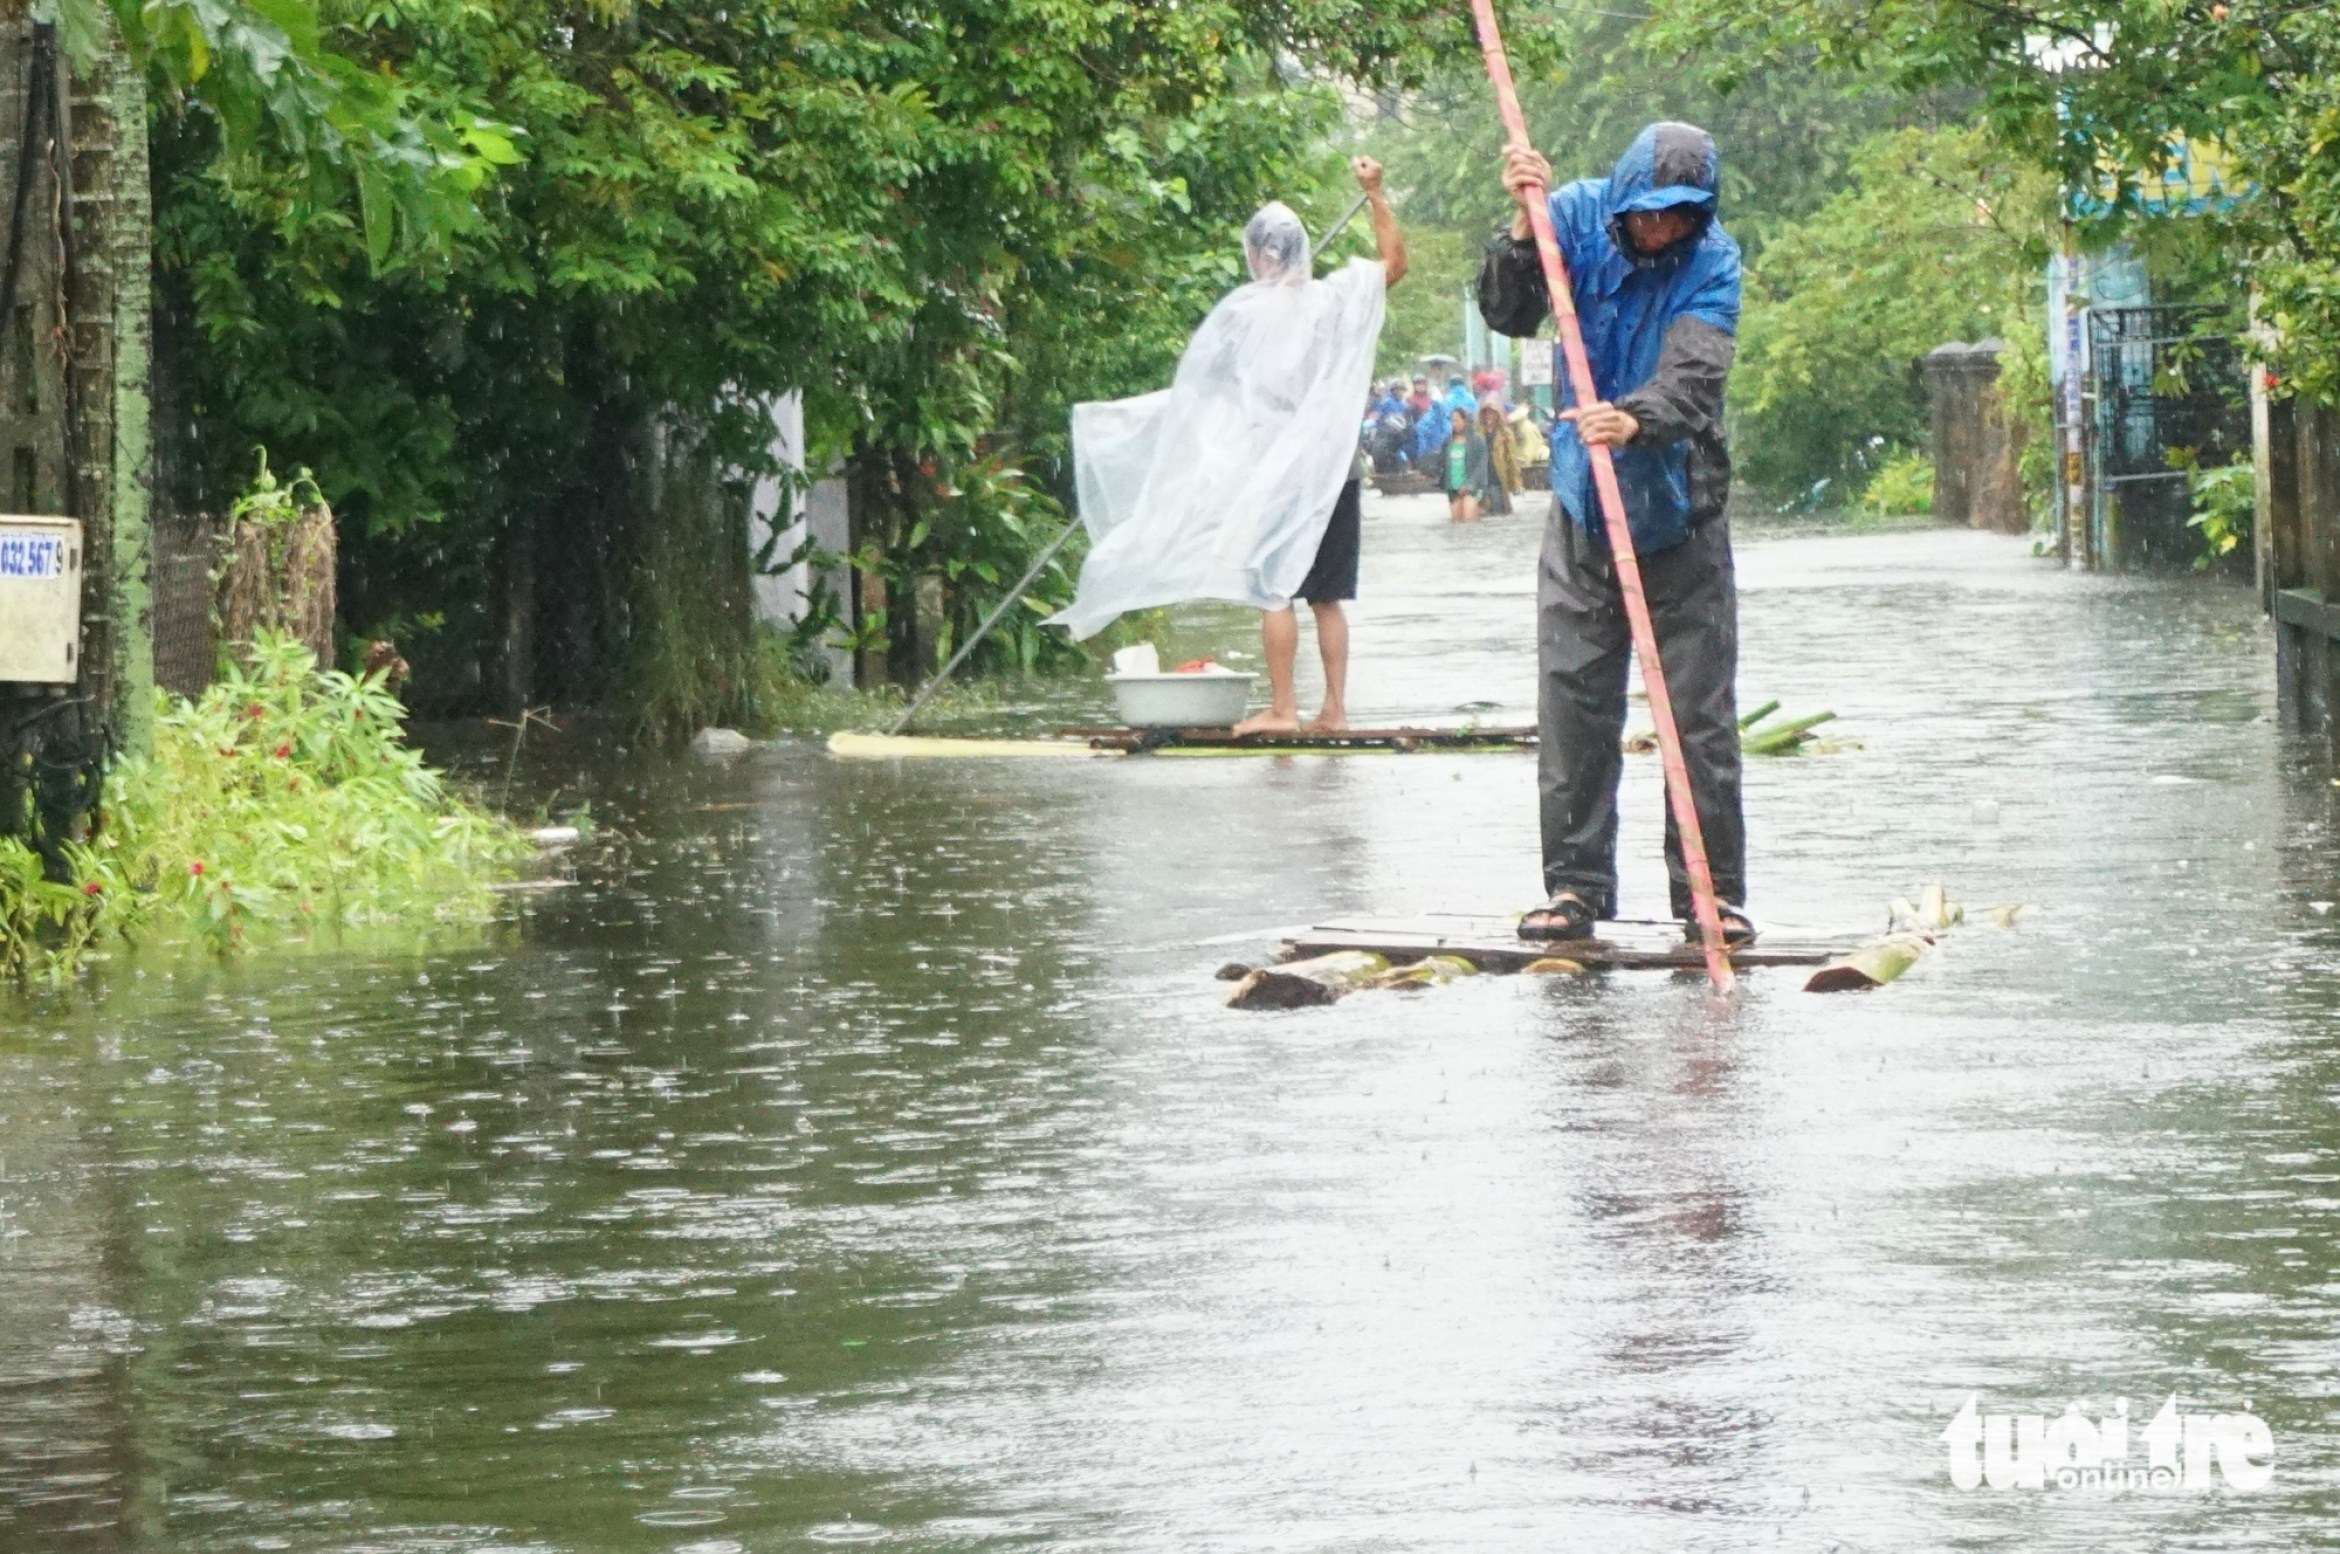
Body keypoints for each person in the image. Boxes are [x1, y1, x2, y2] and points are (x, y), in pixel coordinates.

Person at [1476, 120, 1752, 947]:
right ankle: (1575, 889)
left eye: (1678, 215)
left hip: (1680, 512)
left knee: (1695, 715)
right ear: (1625, 201)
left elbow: (1694, 377)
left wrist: (1635, 419)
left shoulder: (1713, 264)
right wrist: (1524, 230)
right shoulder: (1572, 214)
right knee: (1573, 705)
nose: (1660, 228)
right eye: (1649, 212)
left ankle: (1710, 895)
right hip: (1582, 512)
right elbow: (1510, 312)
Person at [1047, 158, 1407, 740]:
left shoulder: (1245, 312)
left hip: (1279, 474)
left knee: (1273, 589)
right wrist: (1373, 193)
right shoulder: (1335, 297)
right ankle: (1334, 710)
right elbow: (1395, 263)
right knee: (1328, 598)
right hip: (1334, 469)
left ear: (1262, 254)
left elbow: (1204, 391)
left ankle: (1285, 709)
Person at [1476, 399, 1519, 516]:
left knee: (1497, 511)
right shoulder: (1476, 433)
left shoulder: (1506, 434)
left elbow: (1512, 460)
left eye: (1492, 413)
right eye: (1486, 413)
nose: (1488, 416)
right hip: (1480, 479)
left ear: (1498, 415)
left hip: (1497, 478)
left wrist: (1516, 483)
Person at [1444, 407, 1482, 523]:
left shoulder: (1477, 441)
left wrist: (1469, 485)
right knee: (1456, 523)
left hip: (1472, 489)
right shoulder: (1448, 442)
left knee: (1468, 521)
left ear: (1465, 421)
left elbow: (1481, 466)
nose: (1454, 424)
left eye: (1457, 420)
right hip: (1454, 488)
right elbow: (1442, 465)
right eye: (1452, 421)